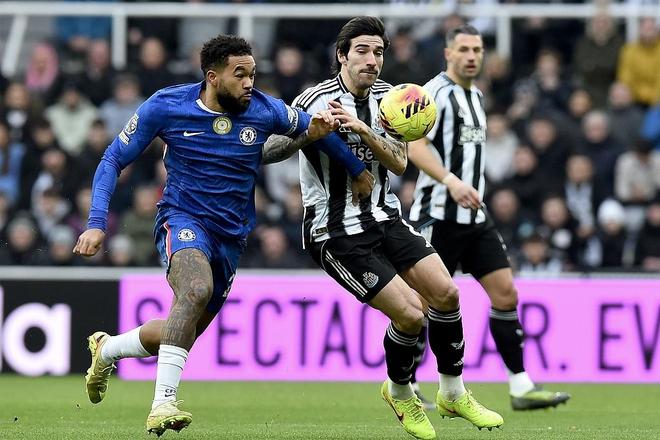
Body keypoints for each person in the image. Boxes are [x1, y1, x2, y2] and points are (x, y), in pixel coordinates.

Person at [73, 34, 375, 436]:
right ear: (213, 77)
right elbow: (113, 158)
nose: (249, 83)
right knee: (195, 290)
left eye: (253, 74)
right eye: (240, 75)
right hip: (183, 218)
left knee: (183, 330)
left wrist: (357, 170)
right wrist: (96, 222)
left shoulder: (266, 109)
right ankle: (163, 404)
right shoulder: (167, 105)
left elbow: (318, 130)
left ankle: (108, 348)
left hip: (231, 236)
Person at [264, 17, 503, 440]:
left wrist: (362, 130)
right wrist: (309, 133)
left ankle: (453, 392)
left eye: (378, 52)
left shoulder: (391, 99)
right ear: (342, 55)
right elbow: (270, 150)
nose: (372, 60)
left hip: (385, 217)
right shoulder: (313, 100)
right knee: (410, 314)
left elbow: (400, 162)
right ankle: (400, 392)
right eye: (362, 51)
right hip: (334, 231)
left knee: (446, 293)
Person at [407, 24, 571, 411]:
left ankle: (520, 386)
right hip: (437, 213)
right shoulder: (434, 94)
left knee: (506, 294)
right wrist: (451, 181)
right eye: (463, 49)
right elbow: (416, 147)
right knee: (420, 306)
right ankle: (407, 383)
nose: (471, 56)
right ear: (448, 53)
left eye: (477, 50)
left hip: (474, 217)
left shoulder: (477, 96)